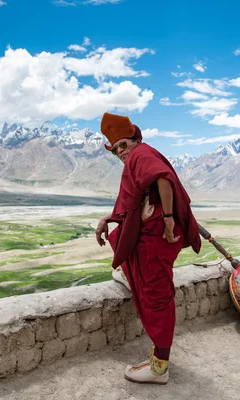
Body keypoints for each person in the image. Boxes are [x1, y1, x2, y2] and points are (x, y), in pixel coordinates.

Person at [95, 112, 201, 385]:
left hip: (157, 238)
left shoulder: (141, 155)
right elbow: (135, 203)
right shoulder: (138, 156)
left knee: (157, 297)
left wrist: (167, 219)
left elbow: (162, 179)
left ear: (135, 140)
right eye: (115, 148)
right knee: (124, 243)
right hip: (151, 235)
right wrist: (108, 219)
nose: (120, 152)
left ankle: (159, 369)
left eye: (123, 145)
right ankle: (132, 278)